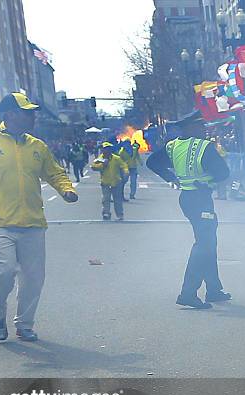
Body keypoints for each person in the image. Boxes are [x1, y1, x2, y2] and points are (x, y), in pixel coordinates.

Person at [0, 92, 78, 343]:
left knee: (33, 278)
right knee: (4, 270)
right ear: (10, 114)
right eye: (27, 111)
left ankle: (24, 324)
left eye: (33, 112)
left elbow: (55, 172)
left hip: (32, 223)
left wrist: (66, 189)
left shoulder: (37, 146)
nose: (33, 116)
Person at [146, 110, 231, 309]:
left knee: (208, 242)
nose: (203, 129)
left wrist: (171, 177)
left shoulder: (173, 145)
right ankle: (188, 293)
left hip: (187, 198)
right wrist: (209, 181)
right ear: (191, 127)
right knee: (204, 245)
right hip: (201, 199)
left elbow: (152, 162)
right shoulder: (205, 146)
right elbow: (223, 173)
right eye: (200, 126)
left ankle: (213, 289)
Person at [91, 142, 129, 221]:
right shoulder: (100, 159)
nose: (107, 150)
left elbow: (124, 165)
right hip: (105, 183)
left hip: (116, 182)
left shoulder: (116, 158)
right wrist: (102, 165)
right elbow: (93, 166)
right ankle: (106, 213)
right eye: (105, 149)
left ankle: (120, 215)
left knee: (117, 200)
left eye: (108, 149)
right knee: (106, 199)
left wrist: (126, 172)